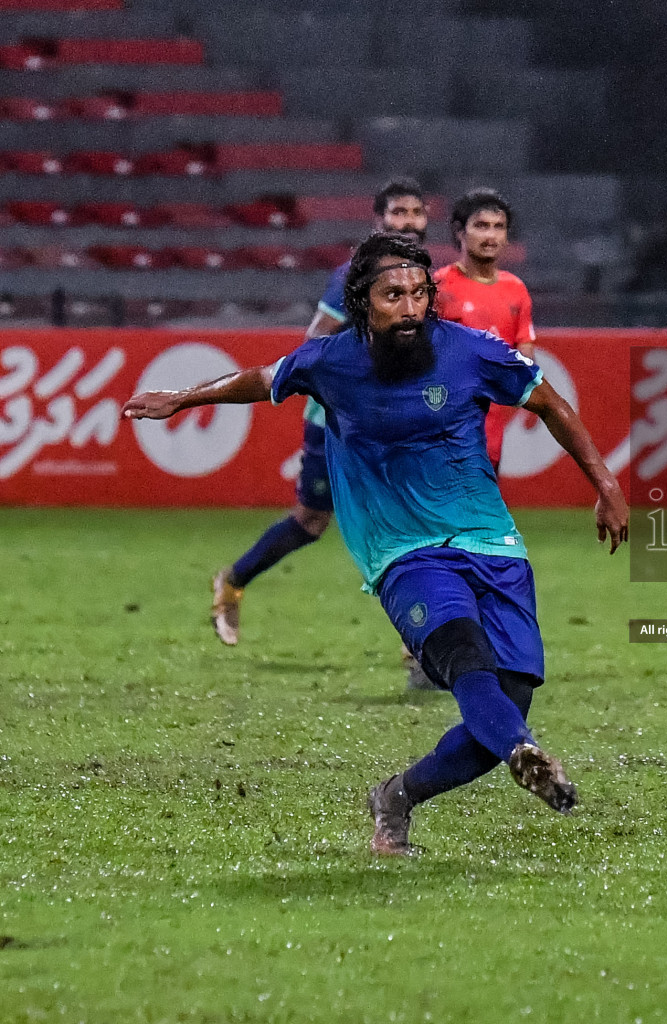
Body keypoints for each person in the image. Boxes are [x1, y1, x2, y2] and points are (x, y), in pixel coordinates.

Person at [126, 232, 630, 852]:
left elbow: (549, 402)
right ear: (363, 303)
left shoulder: (472, 351)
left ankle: (398, 795)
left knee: (505, 704)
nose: (411, 307)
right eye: (394, 295)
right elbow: (259, 379)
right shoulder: (330, 361)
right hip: (401, 552)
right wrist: (182, 398)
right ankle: (524, 752)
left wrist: (605, 485)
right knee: (463, 653)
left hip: (492, 544)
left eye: (420, 293)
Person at [210, 177, 428, 656]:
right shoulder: (353, 275)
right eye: (398, 213)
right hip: (338, 421)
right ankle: (233, 580)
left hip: (397, 419)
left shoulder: (427, 279)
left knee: (411, 520)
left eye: (415, 212)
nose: (407, 222)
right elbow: (314, 343)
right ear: (380, 220)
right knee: (311, 522)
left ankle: (423, 646)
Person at [433, 188, 535, 471]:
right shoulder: (437, 287)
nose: (491, 236)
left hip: (491, 435)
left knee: (483, 515)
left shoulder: (516, 289)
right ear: (459, 231)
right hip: (441, 432)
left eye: (498, 227)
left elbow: (526, 360)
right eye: (481, 226)